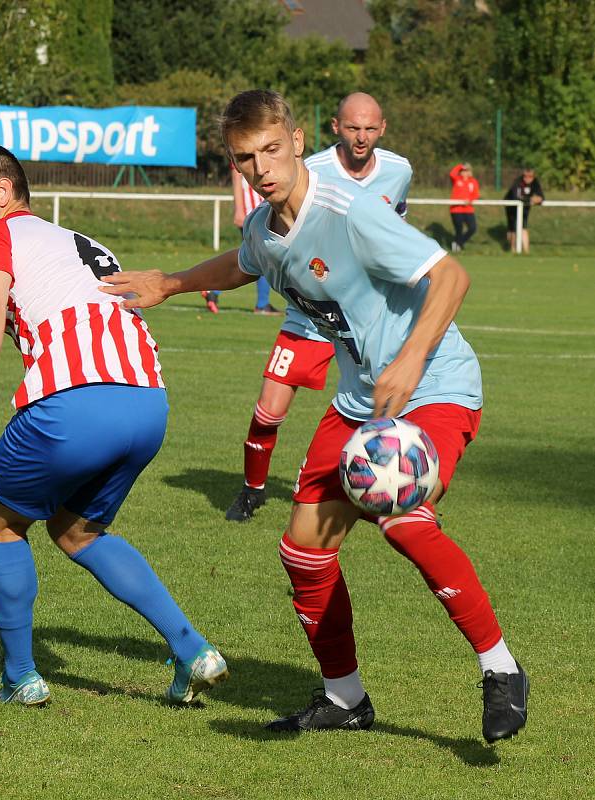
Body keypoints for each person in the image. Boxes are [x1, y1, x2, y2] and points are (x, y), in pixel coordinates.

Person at [101, 90, 529, 744]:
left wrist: (411, 359)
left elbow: (449, 278)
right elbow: (247, 262)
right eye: (246, 158)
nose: (262, 167)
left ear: (298, 141)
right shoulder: (264, 228)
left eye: (272, 149)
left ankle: (499, 667)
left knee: (403, 518)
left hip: (434, 385)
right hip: (360, 404)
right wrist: (170, 281)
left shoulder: (349, 211)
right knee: (303, 550)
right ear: (235, 162)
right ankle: (344, 697)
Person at [0, 144, 228, 707]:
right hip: (147, 403)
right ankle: (193, 651)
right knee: (76, 530)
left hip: (74, 405)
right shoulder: (80, 241)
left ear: (2, 194)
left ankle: (20, 677)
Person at [225, 92, 412, 523]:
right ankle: (252, 490)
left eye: (369, 128)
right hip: (309, 313)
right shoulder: (312, 168)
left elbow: (397, 221)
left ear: (382, 128)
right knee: (269, 409)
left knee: (389, 407)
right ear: (333, 128)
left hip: (365, 316)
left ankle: (403, 492)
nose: (361, 137)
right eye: (352, 128)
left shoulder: (399, 170)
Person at [200, 166, 281, 315]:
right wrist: (238, 210)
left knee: (257, 258)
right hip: (252, 212)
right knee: (261, 258)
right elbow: (236, 177)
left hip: (263, 210)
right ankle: (262, 305)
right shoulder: (241, 147)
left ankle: (214, 290)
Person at [505, 167, 544, 254]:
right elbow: (516, 197)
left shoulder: (535, 182)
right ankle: (513, 249)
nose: (527, 178)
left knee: (523, 227)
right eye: (525, 176)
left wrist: (537, 199)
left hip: (525, 206)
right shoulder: (517, 182)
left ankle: (526, 251)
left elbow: (541, 197)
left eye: (530, 176)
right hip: (511, 207)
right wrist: (530, 199)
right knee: (513, 228)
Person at [448, 162, 479, 252]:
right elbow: (452, 173)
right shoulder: (456, 179)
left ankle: (458, 243)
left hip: (468, 209)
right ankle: (457, 248)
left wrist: (469, 200)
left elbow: (476, 194)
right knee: (459, 229)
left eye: (466, 170)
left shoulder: (473, 182)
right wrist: (460, 166)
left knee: (473, 228)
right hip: (456, 209)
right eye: (463, 170)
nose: (464, 172)